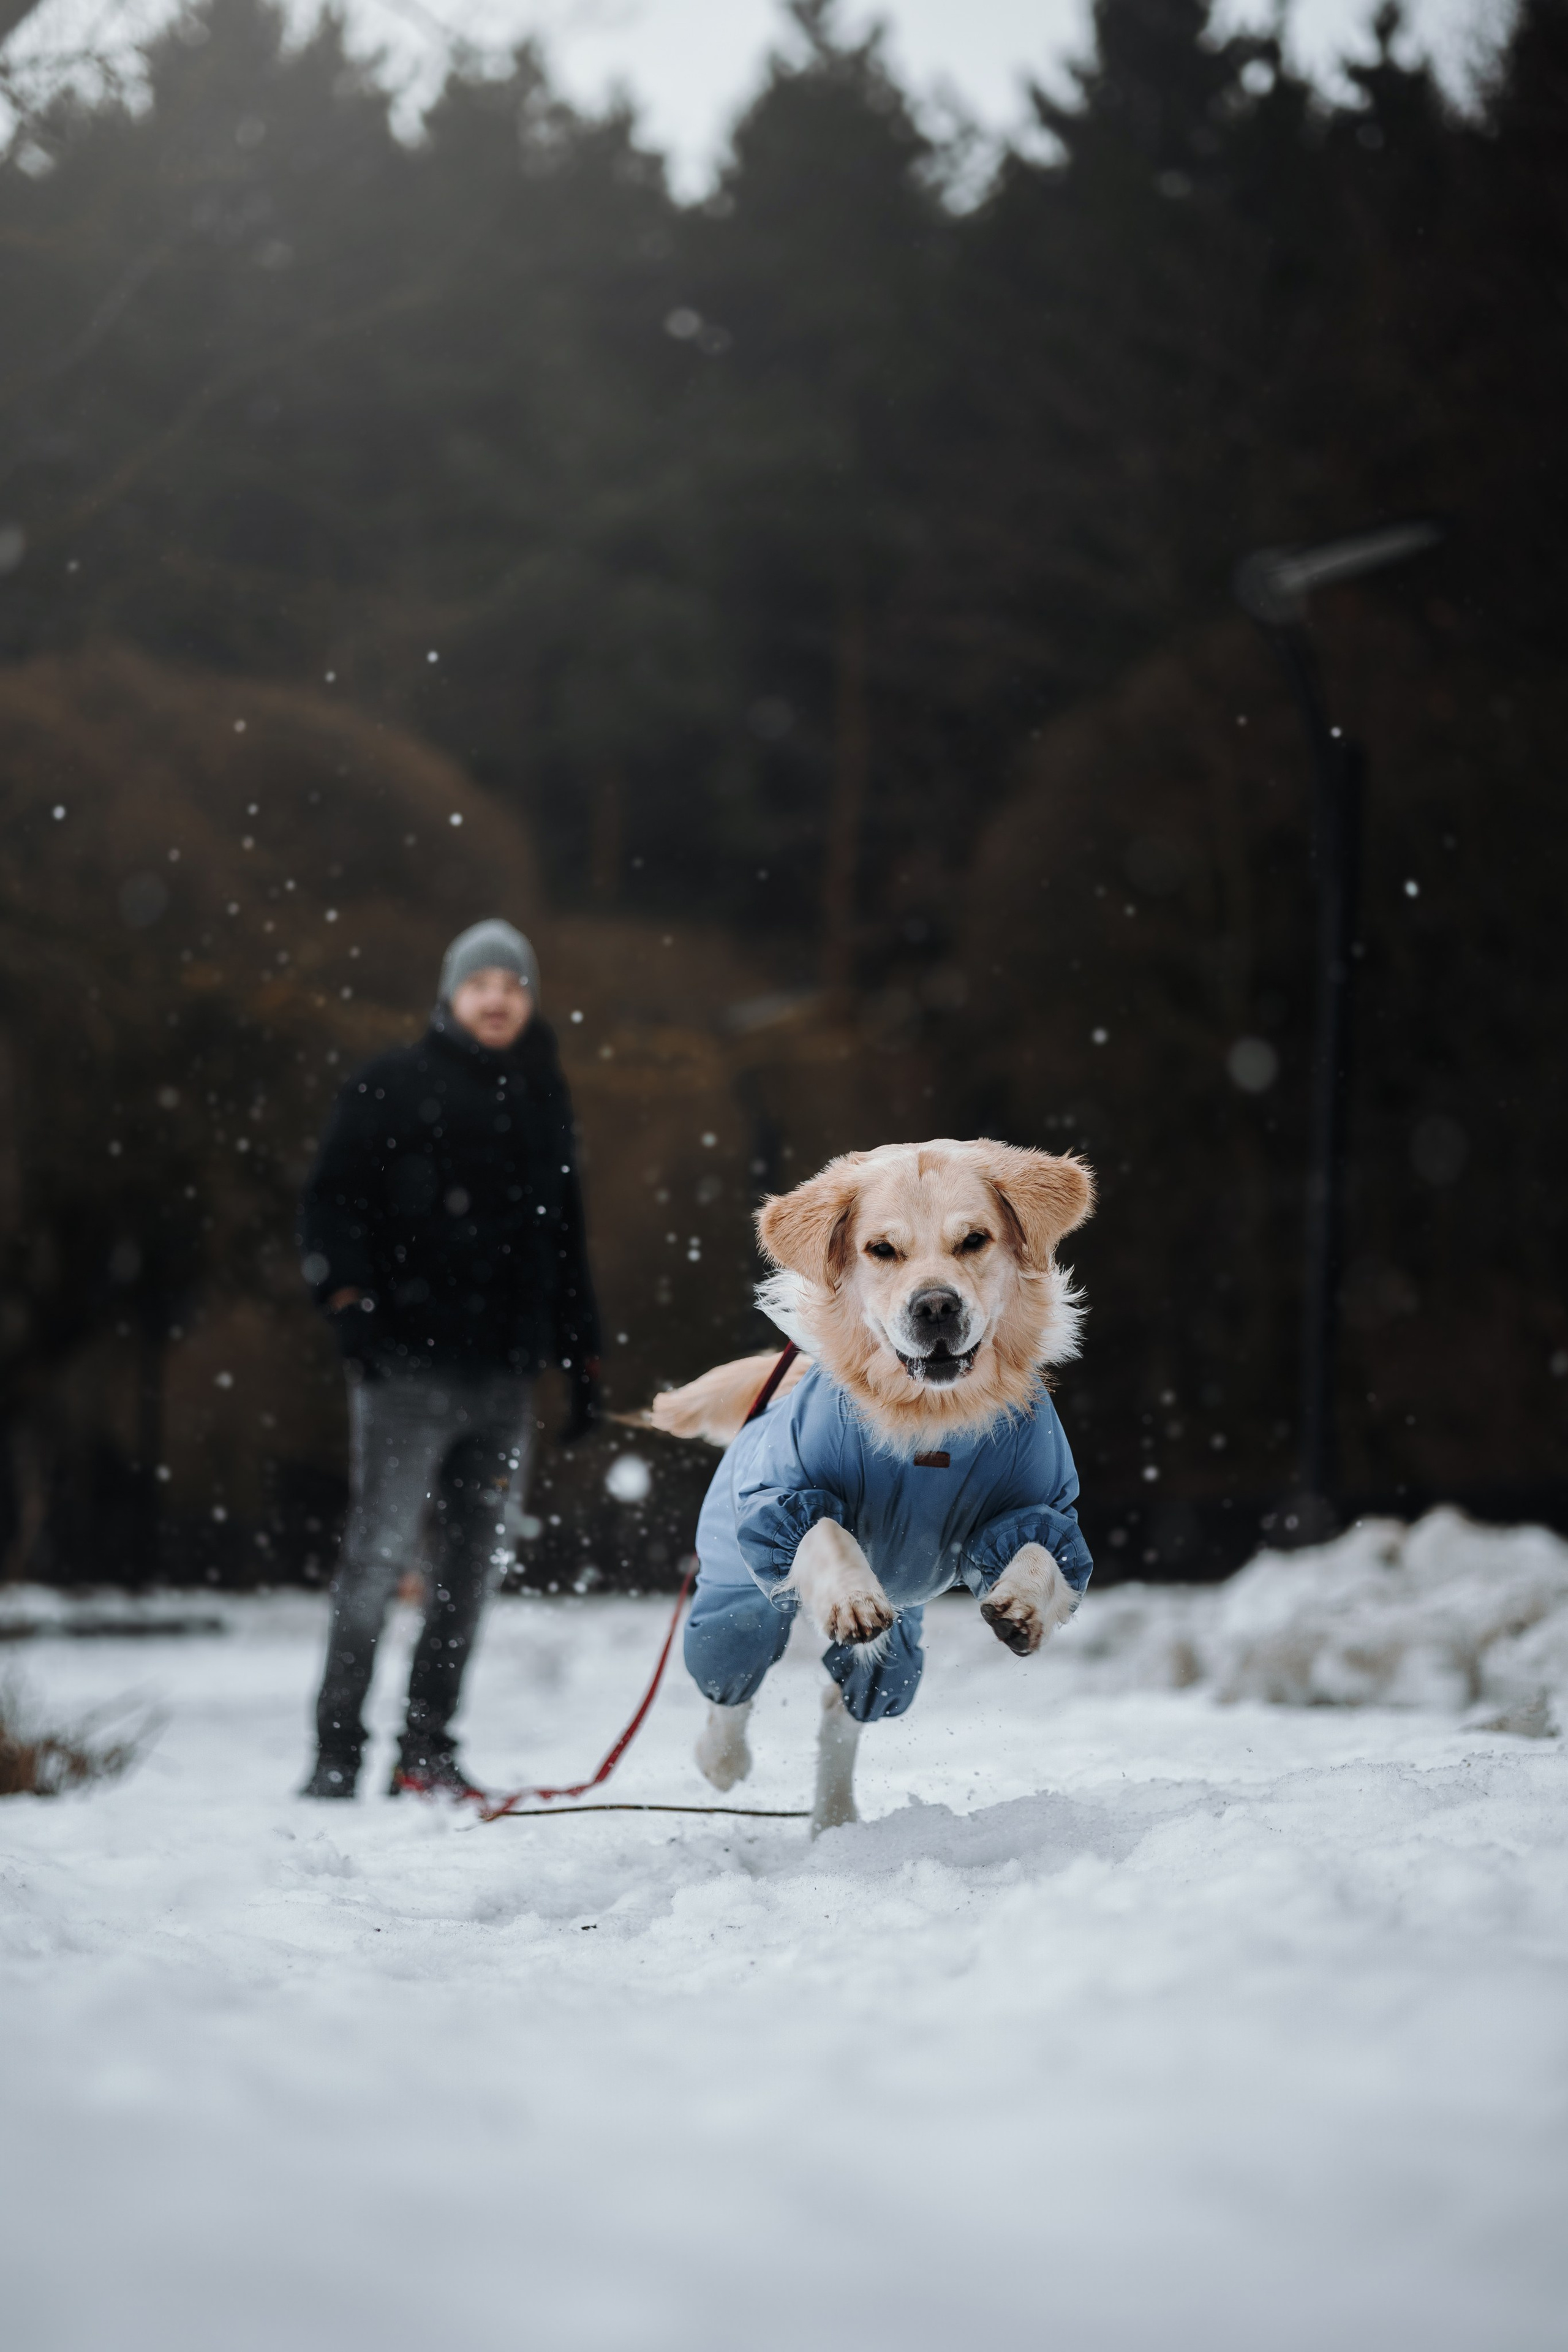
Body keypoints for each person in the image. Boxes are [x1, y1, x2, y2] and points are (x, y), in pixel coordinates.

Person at [297, 919, 600, 1799]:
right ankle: (335, 1755)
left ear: (529, 1000)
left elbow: (564, 1238)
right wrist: (348, 1302)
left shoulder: (544, 1099)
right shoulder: (389, 1085)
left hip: (506, 1378)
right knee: (378, 1559)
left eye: (513, 984)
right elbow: (330, 1204)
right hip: (405, 1370)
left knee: (470, 1570)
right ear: (451, 995)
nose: (497, 998)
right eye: (480, 984)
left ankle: (426, 1752)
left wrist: (582, 1356)